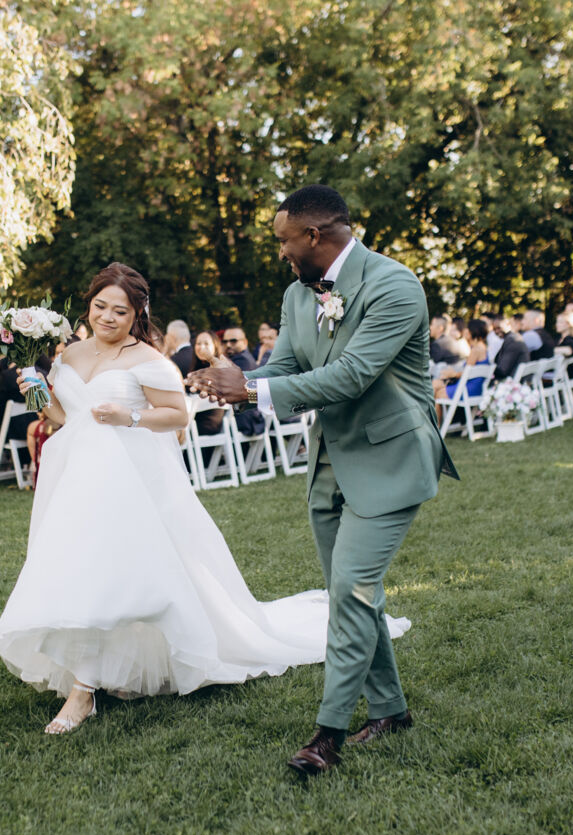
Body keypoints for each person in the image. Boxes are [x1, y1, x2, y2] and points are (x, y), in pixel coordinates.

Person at [0, 262, 368, 737]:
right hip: (73, 474)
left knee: (110, 570)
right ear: (88, 305)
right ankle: (102, 669)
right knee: (78, 567)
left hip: (127, 478)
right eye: (100, 306)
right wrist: (38, 393)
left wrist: (129, 417)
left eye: (120, 311)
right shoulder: (68, 355)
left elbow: (177, 417)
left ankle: (84, 690)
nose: (108, 317)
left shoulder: (149, 359)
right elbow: (67, 417)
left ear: (137, 314)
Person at [188, 185, 457, 776]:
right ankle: (390, 711)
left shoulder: (394, 285)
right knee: (350, 593)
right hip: (330, 462)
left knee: (353, 589)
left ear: (314, 235)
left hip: (391, 458)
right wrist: (234, 380)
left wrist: (251, 389)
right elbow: (286, 366)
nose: (281, 252)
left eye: (284, 240)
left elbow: (353, 374)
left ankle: (327, 736)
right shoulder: (296, 294)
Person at [433, 318, 490, 412]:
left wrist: (452, 374)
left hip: (468, 389)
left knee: (437, 393)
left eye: (468, 328)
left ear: (472, 331)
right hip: (474, 388)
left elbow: (466, 373)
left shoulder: (476, 350)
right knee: (435, 384)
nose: (465, 330)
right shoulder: (483, 347)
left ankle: (435, 421)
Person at [190, 331, 230, 436]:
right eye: (198, 343)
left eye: (206, 343)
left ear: (215, 347)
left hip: (209, 422)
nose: (201, 347)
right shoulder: (197, 369)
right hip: (196, 420)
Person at [493, 315, 531, 381]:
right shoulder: (514, 337)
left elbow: (503, 370)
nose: (496, 331)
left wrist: (488, 370)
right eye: (494, 329)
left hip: (512, 382)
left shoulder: (512, 340)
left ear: (508, 324)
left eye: (499, 328)